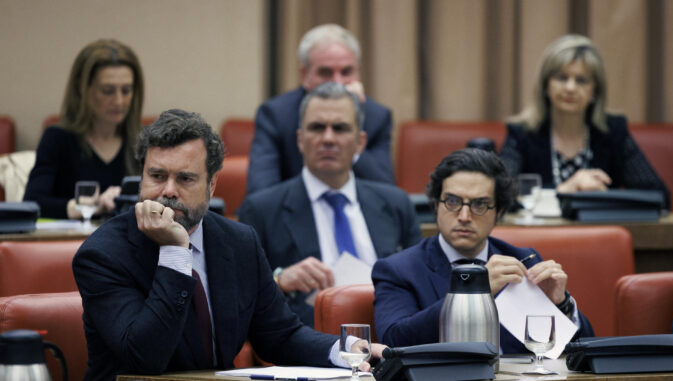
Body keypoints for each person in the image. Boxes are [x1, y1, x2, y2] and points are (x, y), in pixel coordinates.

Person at [72, 109, 384, 380]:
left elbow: (279, 335)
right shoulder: (103, 254)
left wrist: (345, 351)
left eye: (185, 179)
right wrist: (174, 251)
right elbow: (146, 357)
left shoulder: (238, 242)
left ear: (212, 184)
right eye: (156, 175)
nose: (168, 191)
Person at [372, 148, 594, 353]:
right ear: (435, 204)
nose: (464, 216)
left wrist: (562, 304)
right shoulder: (398, 270)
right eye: (452, 201)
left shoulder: (522, 261)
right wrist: (473, 289)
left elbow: (581, 353)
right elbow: (393, 342)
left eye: (479, 205)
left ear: (500, 212)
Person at [239, 82, 421, 326]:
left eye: (340, 128)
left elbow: (421, 282)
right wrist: (279, 280)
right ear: (300, 140)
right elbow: (240, 296)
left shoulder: (396, 203)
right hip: (308, 343)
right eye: (317, 127)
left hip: (390, 337)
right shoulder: (261, 209)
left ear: (360, 142)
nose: (328, 138)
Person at [500, 34, 670, 209]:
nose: (570, 88)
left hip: (599, 233)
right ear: (545, 85)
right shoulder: (522, 133)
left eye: (581, 80)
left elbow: (659, 196)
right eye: (561, 77)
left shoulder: (613, 131)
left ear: (595, 91)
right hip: (541, 235)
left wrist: (604, 197)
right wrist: (563, 190)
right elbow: (499, 196)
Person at [246, 23, 394, 195]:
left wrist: (352, 120)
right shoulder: (275, 115)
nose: (337, 82)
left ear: (358, 72)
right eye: (325, 73)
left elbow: (385, 192)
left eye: (346, 72)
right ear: (304, 75)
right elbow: (261, 193)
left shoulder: (377, 116)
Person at [24, 39, 144, 219]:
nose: (119, 101)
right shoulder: (57, 138)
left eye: (126, 90)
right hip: (71, 244)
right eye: (108, 91)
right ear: (82, 89)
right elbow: (32, 202)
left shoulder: (143, 141)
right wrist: (86, 206)